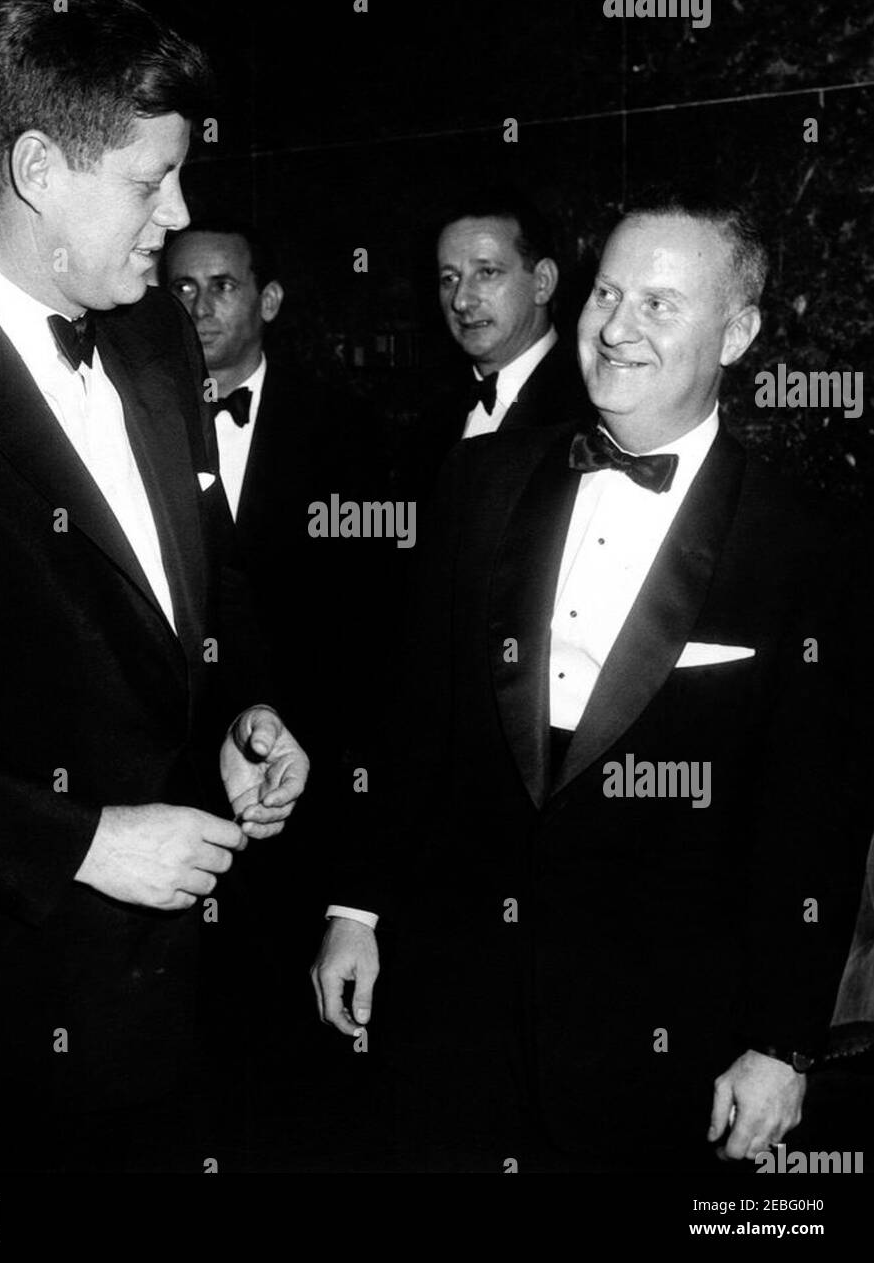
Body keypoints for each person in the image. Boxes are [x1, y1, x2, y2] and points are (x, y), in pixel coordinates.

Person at [0, 0, 308, 1173]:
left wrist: (248, 711)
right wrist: (77, 839)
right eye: (149, 181)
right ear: (42, 166)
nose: (179, 212)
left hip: (185, 1016)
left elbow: (205, 583)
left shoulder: (154, 334)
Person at [314, 192, 871, 1172]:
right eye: (605, 293)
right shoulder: (479, 481)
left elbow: (812, 817)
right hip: (458, 1003)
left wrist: (781, 1041)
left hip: (664, 1040)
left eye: (658, 304)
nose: (615, 327)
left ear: (736, 333)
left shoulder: (806, 545)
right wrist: (355, 909)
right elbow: (413, 718)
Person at [166, 220, 389, 1169]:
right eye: (179, 288)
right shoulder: (121, 420)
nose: (198, 307)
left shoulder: (355, 434)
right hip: (170, 813)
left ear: (269, 299)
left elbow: (381, 649)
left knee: (304, 1086)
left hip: (319, 805)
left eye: (220, 285)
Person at [396, 189, 587, 502]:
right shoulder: (432, 419)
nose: (460, 300)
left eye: (486, 272)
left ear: (542, 282)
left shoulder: (591, 414)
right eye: (449, 278)